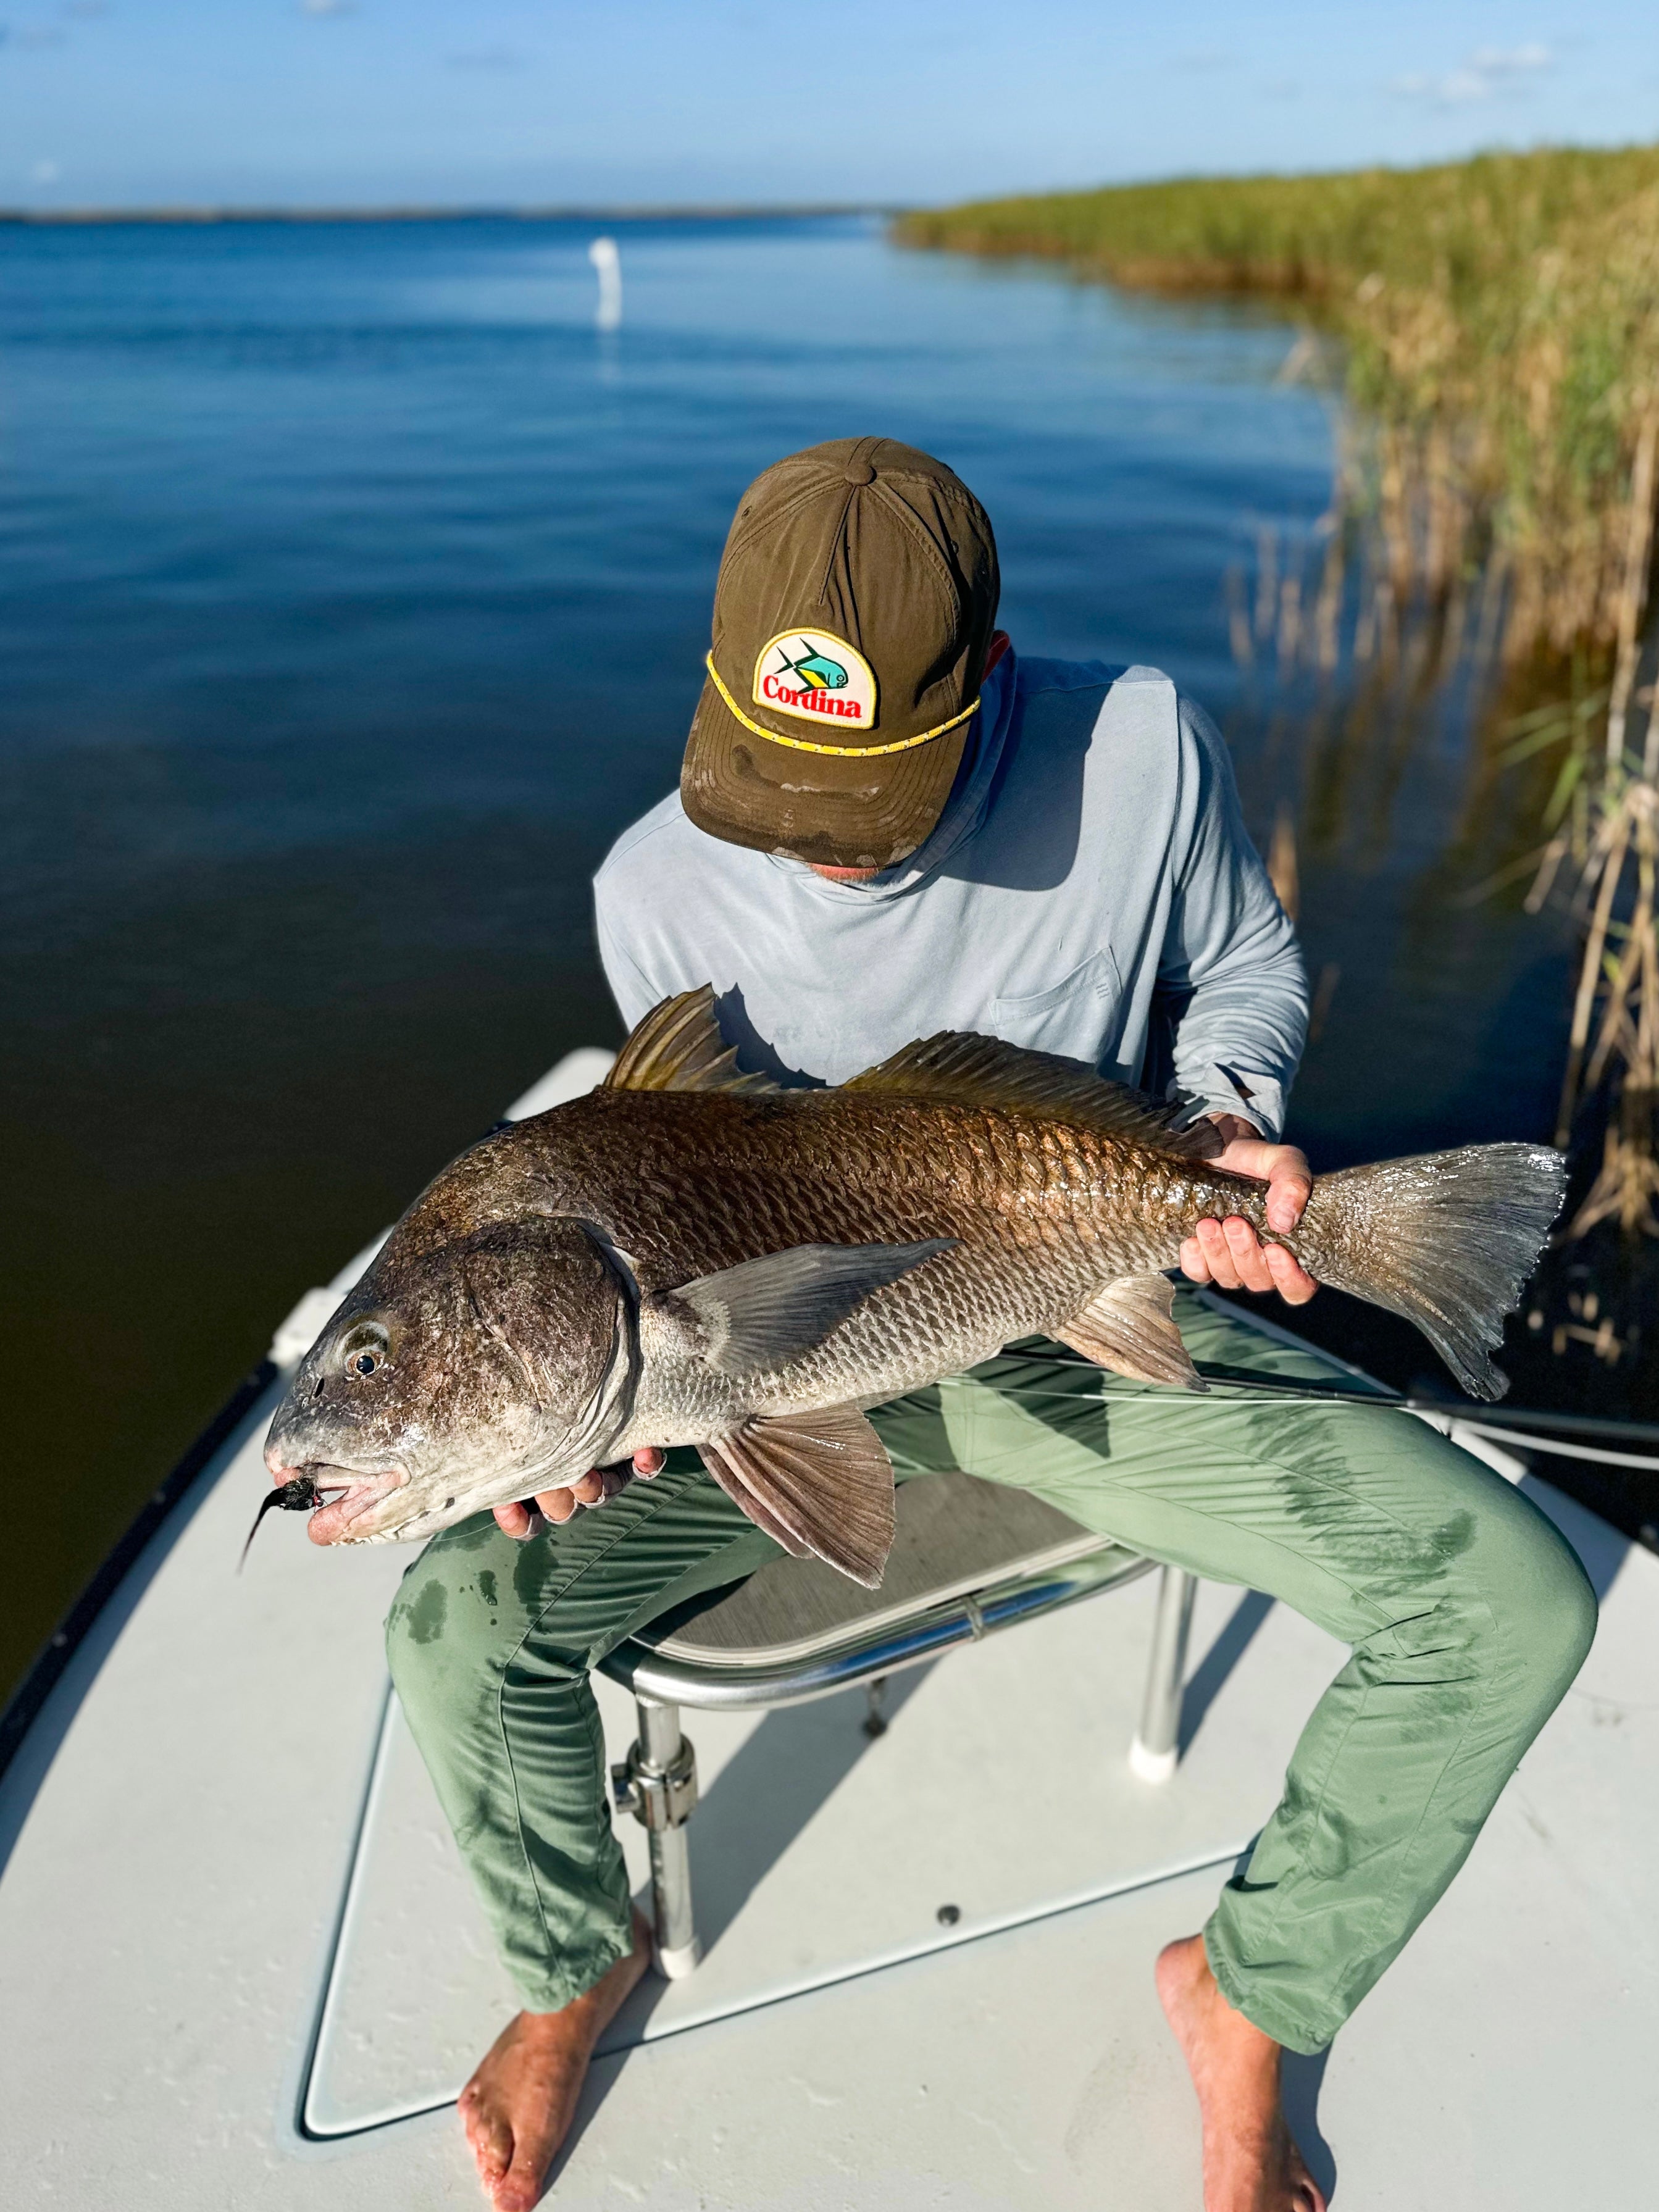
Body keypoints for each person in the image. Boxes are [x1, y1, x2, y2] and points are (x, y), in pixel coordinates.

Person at [386, 438, 1596, 2212]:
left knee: (1513, 1606)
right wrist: (578, 1417)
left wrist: (1227, 1112)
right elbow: (671, 1181)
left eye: (871, 806)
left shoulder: (1139, 750)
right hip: (760, 1371)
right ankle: (576, 1960)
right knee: (452, 1627)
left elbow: (1245, 965)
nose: (823, 852)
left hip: (1064, 1302)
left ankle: (1251, 1996)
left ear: (993, 686)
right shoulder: (648, 887)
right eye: (774, 794)